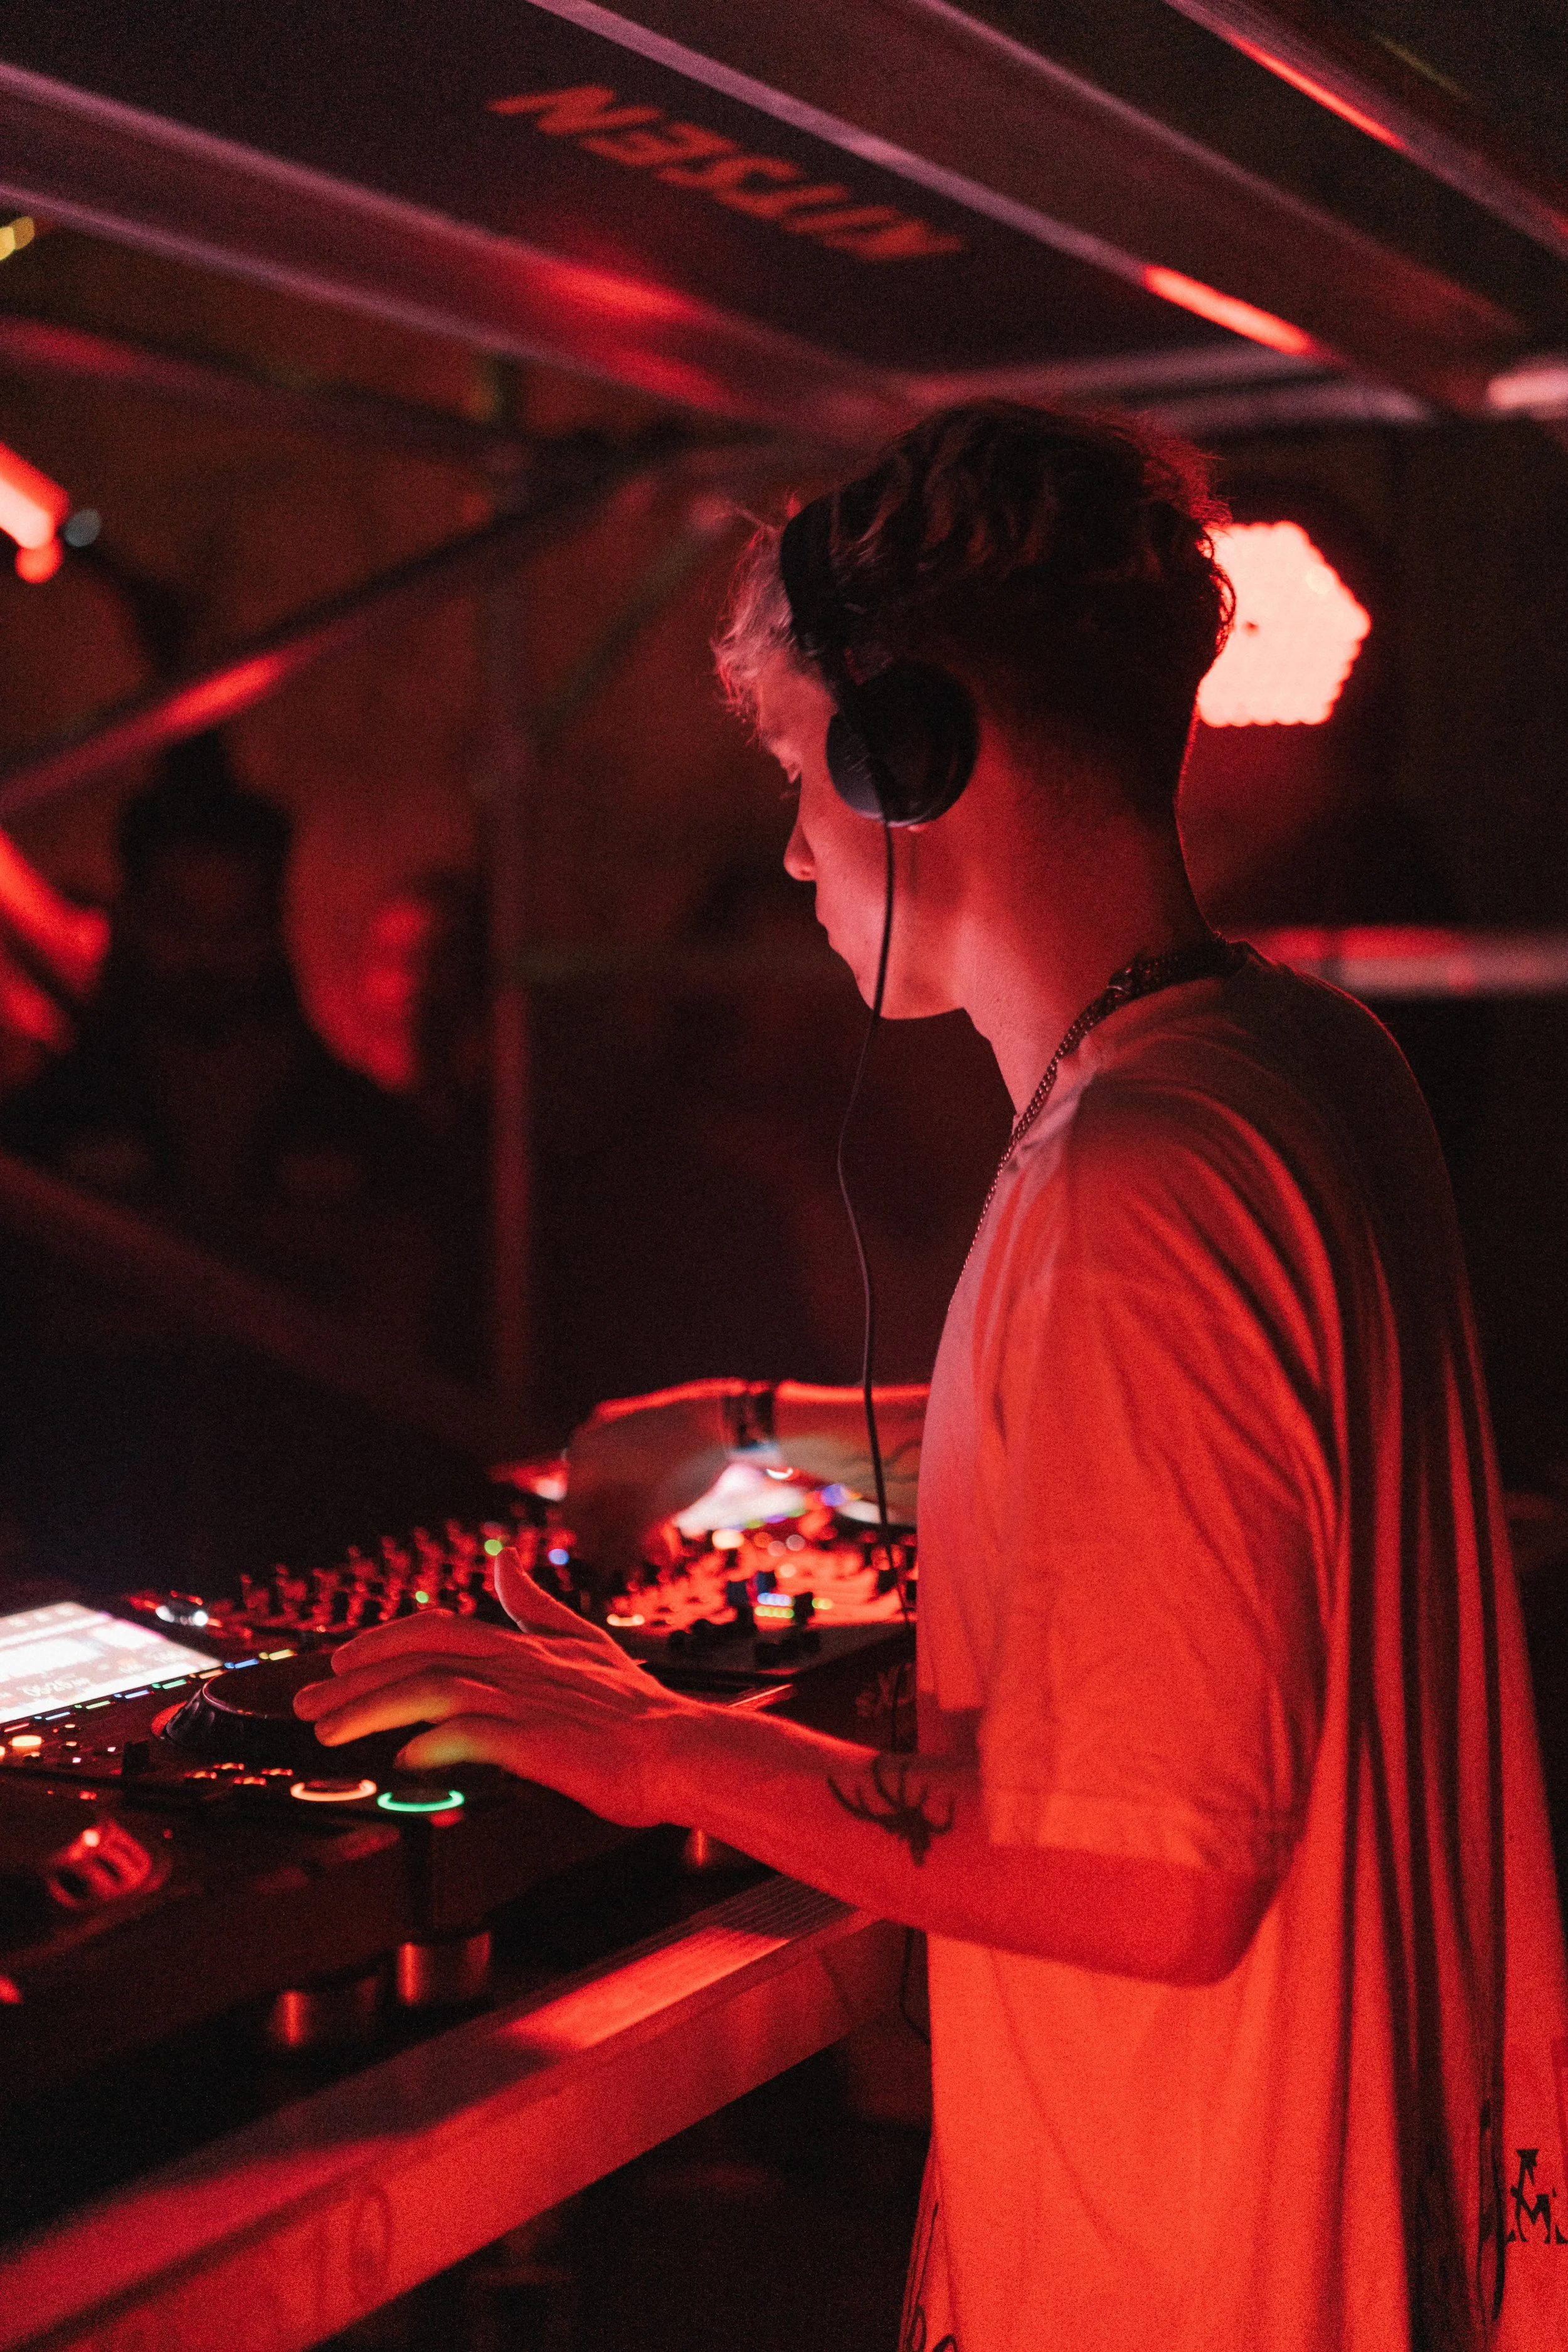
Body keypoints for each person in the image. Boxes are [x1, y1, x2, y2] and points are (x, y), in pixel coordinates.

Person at [294, 406, 1568, 2348]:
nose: (797, 843)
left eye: (806, 768)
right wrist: (772, 1433)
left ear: (919, 746)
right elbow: (1193, 1465)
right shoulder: (1296, 1066)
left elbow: (1156, 1884)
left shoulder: (1132, 1182)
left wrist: (654, 1746)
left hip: (1193, 2265)